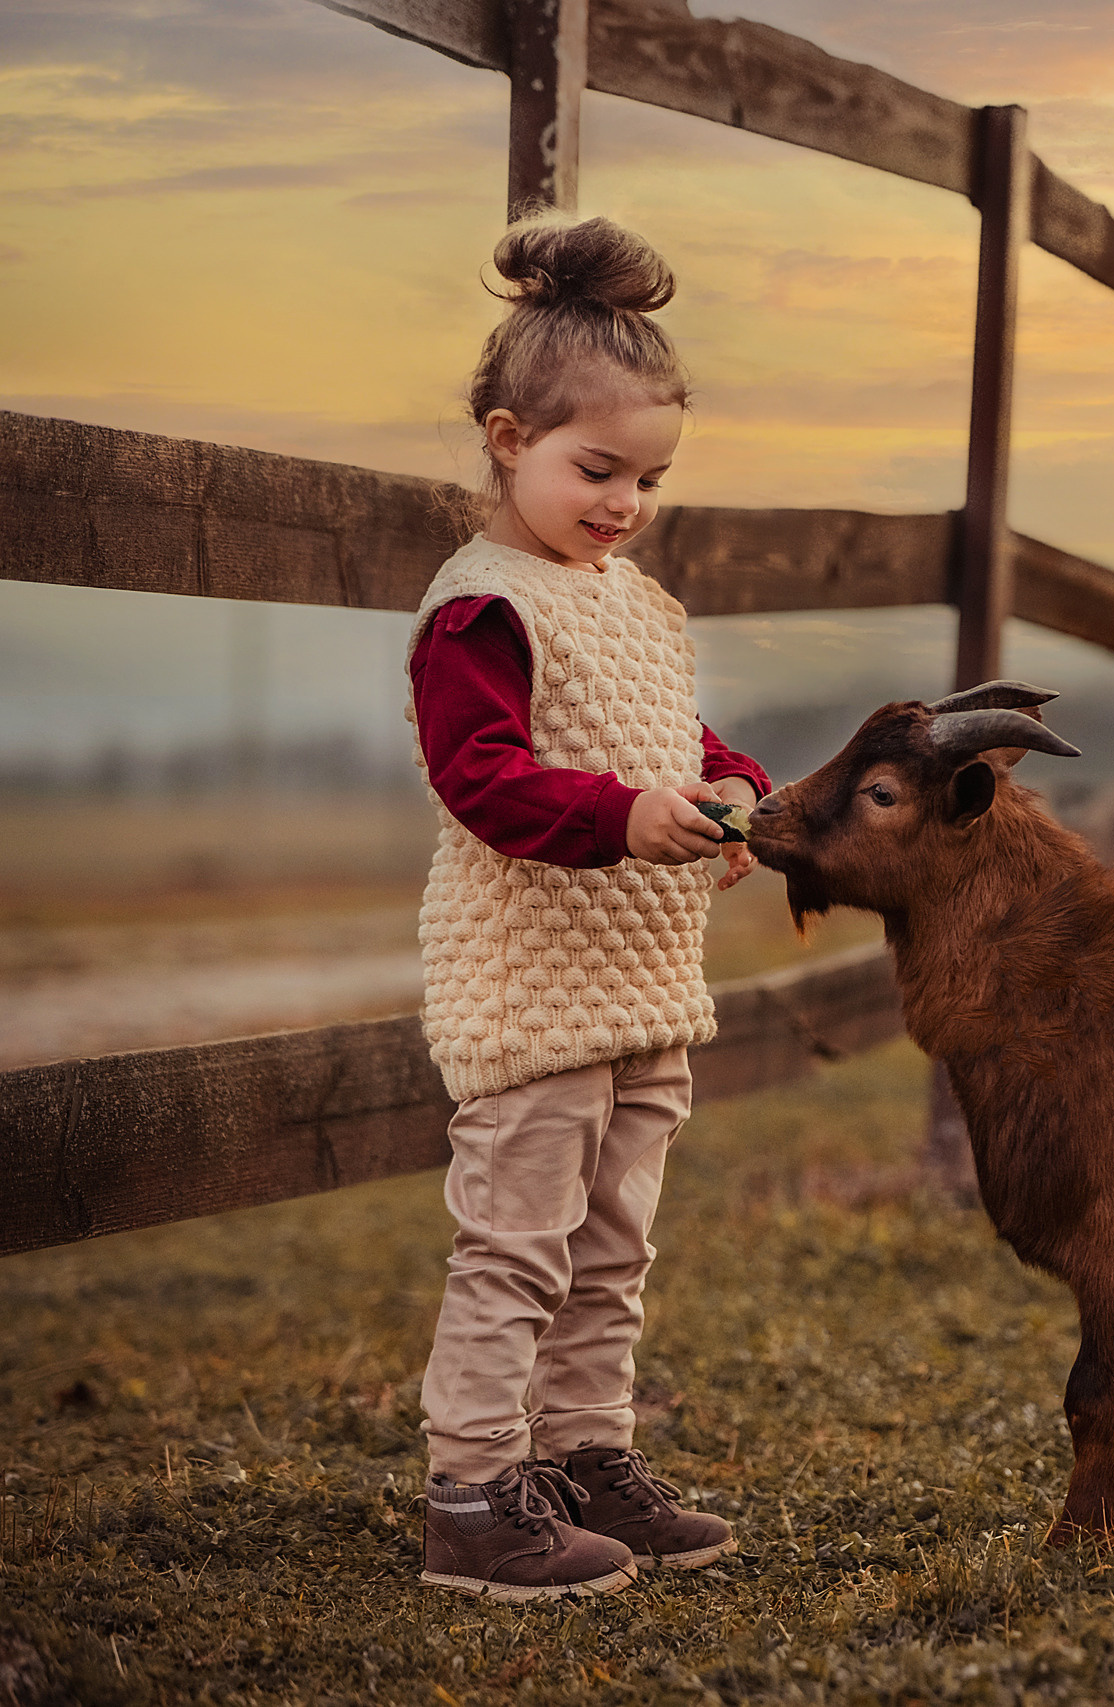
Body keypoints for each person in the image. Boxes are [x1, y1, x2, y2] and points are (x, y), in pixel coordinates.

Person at [406, 213, 764, 1600]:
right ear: (510, 441)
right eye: (596, 470)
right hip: (535, 993)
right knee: (519, 1249)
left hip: (645, 988)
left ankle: (584, 1455)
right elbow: (482, 779)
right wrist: (626, 817)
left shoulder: (637, 603)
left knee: (613, 1246)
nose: (624, 503)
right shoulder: (481, 610)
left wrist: (731, 789)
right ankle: (473, 1495)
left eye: (650, 478)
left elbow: (672, 734)